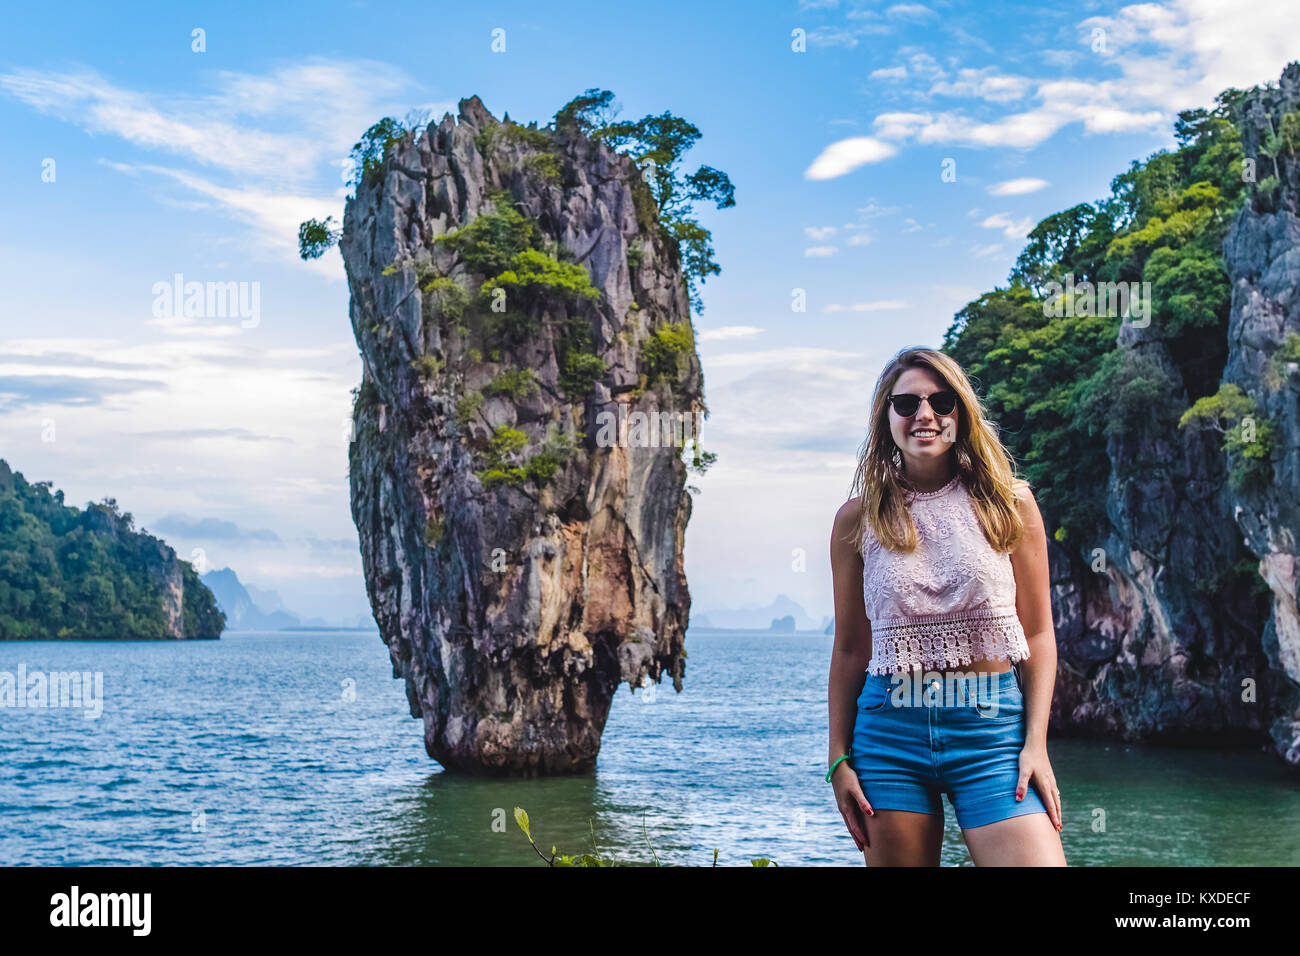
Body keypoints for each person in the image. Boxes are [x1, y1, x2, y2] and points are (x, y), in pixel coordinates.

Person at [827, 346, 1067, 866]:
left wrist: (1036, 744)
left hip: (991, 727)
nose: (925, 415)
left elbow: (1040, 633)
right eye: (906, 403)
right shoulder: (856, 520)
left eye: (941, 400)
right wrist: (838, 758)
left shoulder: (1010, 503)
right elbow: (850, 649)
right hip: (890, 732)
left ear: (961, 412)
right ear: (885, 416)